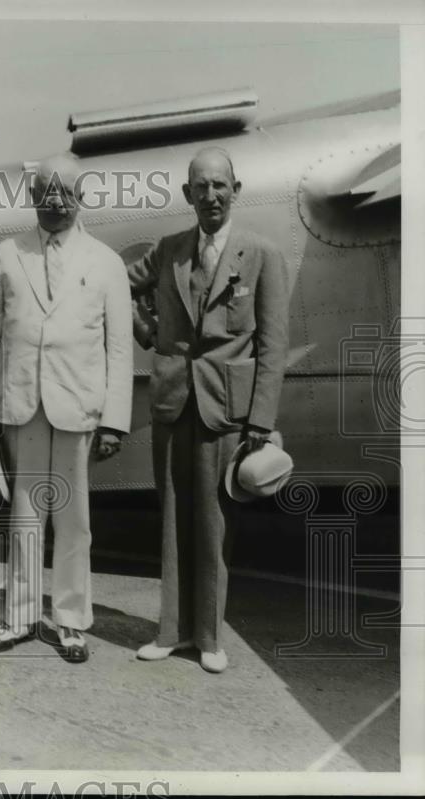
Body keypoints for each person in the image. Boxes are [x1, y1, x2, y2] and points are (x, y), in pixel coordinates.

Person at [128, 147, 290, 673]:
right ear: (187, 195)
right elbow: (119, 286)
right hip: (174, 402)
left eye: (220, 185)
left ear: (235, 190)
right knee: (173, 522)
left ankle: (210, 639)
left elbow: (272, 345)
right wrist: (146, 330)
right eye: (201, 187)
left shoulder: (262, 254)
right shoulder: (170, 249)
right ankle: (171, 633)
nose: (211, 195)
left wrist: (261, 421)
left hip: (228, 410)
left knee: (215, 525)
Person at [0, 154, 133, 663]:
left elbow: (120, 347)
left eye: (65, 193)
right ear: (33, 197)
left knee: (73, 518)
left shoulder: (104, 260)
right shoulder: (9, 253)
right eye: (46, 192)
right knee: (24, 515)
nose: (55, 202)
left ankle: (69, 620)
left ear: (81, 198)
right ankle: (17, 617)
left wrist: (114, 420)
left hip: (78, 406)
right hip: (22, 403)